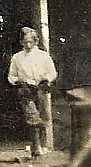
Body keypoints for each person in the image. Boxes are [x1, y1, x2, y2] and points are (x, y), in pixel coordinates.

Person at [7, 26, 58, 158]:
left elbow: (52, 72)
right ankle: (36, 148)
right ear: (21, 42)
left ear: (36, 41)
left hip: (41, 88)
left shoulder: (43, 56)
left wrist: (46, 80)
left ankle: (44, 145)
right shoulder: (17, 57)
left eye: (31, 42)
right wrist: (18, 81)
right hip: (25, 89)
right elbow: (11, 75)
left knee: (44, 117)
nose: (28, 45)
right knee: (32, 117)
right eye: (25, 42)